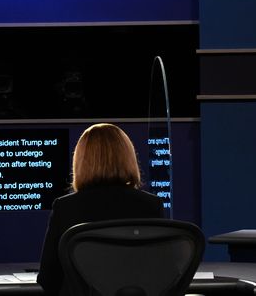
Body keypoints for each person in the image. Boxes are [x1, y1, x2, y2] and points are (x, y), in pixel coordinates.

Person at [37, 123, 164, 296]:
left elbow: (48, 278)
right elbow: (160, 271)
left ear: (80, 161)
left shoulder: (65, 207)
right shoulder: (151, 204)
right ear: (128, 157)